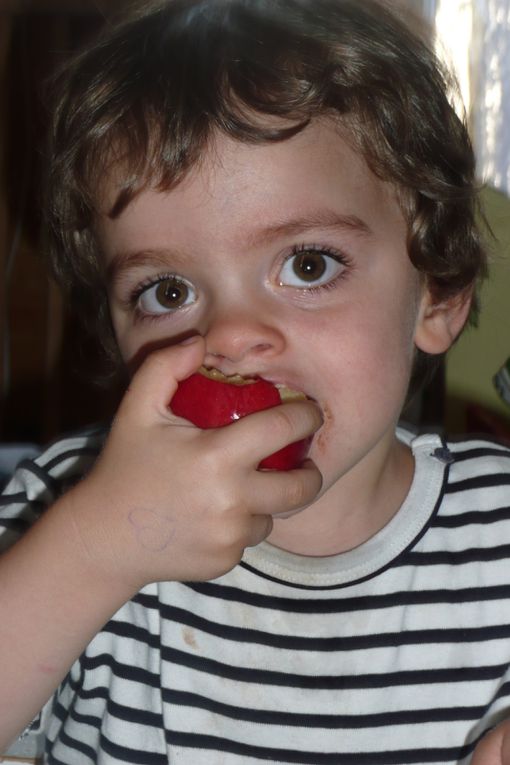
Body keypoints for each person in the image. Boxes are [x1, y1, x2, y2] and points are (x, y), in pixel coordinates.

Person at [1, 0, 509, 762]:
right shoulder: (64, 510)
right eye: (167, 291)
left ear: (436, 294)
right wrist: (98, 546)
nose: (231, 337)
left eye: (308, 264)